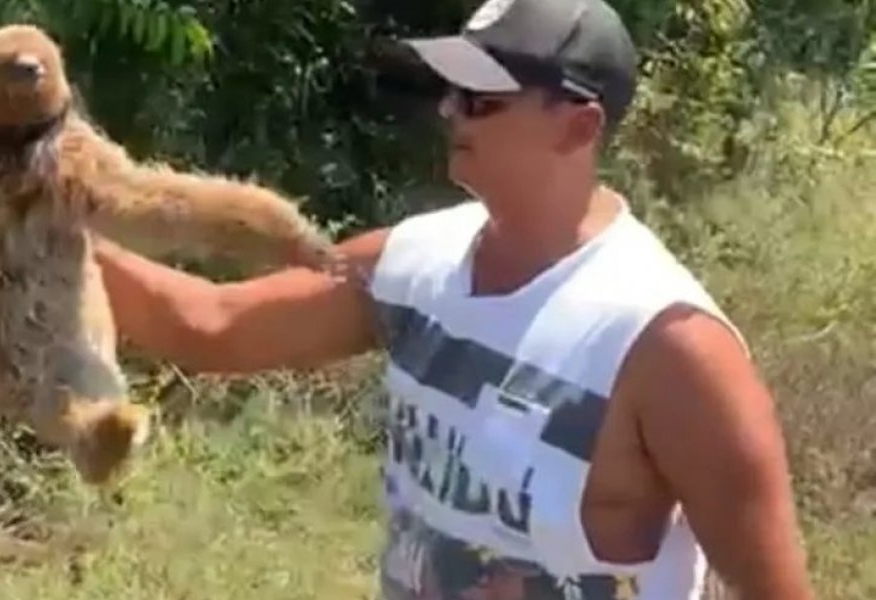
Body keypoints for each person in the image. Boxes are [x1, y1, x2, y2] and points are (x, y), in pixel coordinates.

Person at [92, 0, 816, 598]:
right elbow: (212, 326)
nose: (449, 112)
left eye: (480, 98)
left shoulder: (666, 344)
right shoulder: (413, 261)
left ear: (580, 125)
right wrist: (31, 233)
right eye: (449, 91)